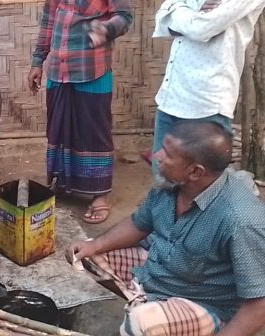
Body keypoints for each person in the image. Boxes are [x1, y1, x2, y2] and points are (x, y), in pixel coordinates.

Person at [67, 121, 265, 336]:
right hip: (160, 274)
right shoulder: (169, 184)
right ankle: (153, 311)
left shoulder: (241, 219)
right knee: (84, 255)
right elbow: (138, 223)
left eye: (168, 154)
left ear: (195, 172)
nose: (158, 155)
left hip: (207, 305)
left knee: (139, 323)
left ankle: (171, 323)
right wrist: (94, 245)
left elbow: (259, 304)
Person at [26, 0, 133, 224]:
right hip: (58, 68)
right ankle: (66, 184)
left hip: (93, 68)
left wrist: (105, 29)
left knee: (93, 132)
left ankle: (100, 193)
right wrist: (37, 61)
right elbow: (49, 16)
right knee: (59, 129)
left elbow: (124, 17)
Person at [150, 0, 265, 174]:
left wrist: (182, 14)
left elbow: (205, 27)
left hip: (206, 106)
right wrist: (189, 14)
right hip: (170, 97)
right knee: (162, 186)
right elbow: (162, 16)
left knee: (200, 195)